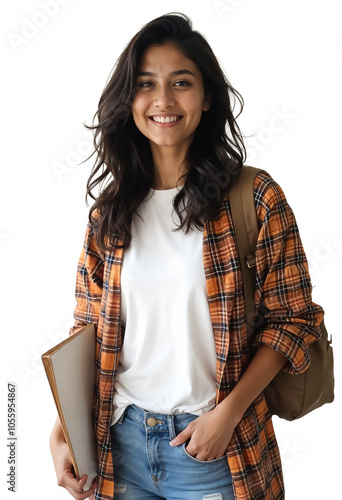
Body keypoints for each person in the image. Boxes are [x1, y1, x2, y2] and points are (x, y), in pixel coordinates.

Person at [49, 13, 324, 500]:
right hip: (119, 444)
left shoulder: (254, 197)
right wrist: (61, 427)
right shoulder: (108, 215)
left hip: (214, 451)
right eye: (146, 84)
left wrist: (227, 415)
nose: (163, 100)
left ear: (207, 96)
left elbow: (294, 322)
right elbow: (87, 329)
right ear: (128, 100)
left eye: (182, 83)